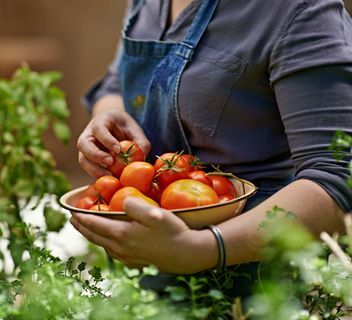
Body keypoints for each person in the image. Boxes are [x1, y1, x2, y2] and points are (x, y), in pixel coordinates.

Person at [70, 0, 352, 297]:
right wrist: (110, 118)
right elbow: (115, 85)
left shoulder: (297, 9)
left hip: (263, 283)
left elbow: (336, 177)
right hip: (146, 273)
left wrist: (204, 248)